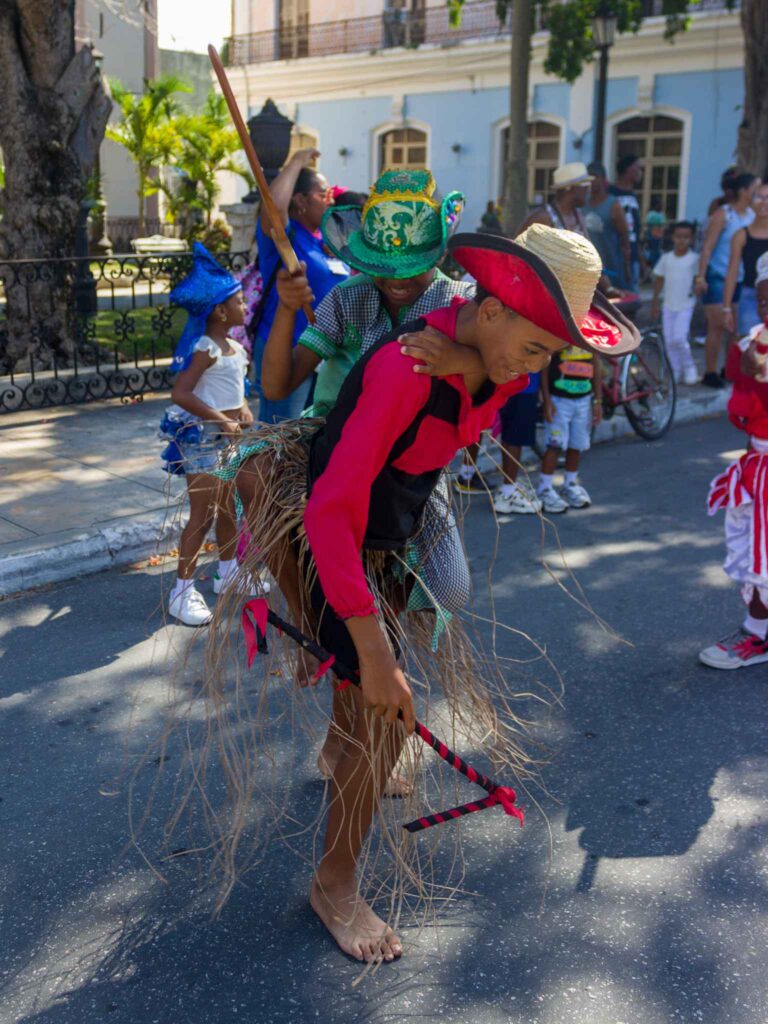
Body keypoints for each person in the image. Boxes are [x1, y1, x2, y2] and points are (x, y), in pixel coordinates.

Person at [164, 225, 639, 963]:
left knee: (368, 711)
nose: (534, 369)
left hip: (393, 532)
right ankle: (335, 884)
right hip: (334, 541)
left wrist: (476, 373)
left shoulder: (488, 353)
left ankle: (342, 741)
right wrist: (373, 645)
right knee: (384, 718)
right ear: (489, 312)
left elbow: (495, 393)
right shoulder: (406, 368)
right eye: (537, 348)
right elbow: (328, 513)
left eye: (547, 353)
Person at [158, 244, 260, 626]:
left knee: (230, 506)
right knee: (202, 514)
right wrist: (220, 418)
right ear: (220, 311)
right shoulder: (205, 348)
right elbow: (181, 393)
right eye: (238, 301)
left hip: (228, 439)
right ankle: (181, 592)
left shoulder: (234, 348)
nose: (245, 305)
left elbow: (234, 391)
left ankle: (229, 571)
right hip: (201, 439)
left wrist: (243, 409)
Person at [253, 147, 348, 422]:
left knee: (309, 435)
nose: (330, 202)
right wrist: (295, 161)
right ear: (300, 201)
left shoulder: (323, 242)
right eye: (322, 195)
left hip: (321, 355)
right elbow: (274, 210)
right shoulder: (288, 237)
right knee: (281, 433)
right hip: (287, 352)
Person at [700, 303, 768, 669]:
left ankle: (757, 634)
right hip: (759, 464)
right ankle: (758, 628)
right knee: (751, 546)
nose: (766, 311)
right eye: (763, 302)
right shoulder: (755, 341)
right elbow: (751, 420)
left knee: (762, 555)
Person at [695, 172, 757, 388]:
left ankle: (728, 369)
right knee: (717, 326)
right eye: (754, 188)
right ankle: (710, 372)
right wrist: (701, 276)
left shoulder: (751, 215)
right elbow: (708, 246)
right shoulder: (724, 214)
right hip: (717, 275)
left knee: (735, 328)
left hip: (739, 278)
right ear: (743, 191)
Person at [536, 334, 604, 514]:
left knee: (576, 444)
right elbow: (545, 364)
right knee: (555, 444)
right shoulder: (559, 332)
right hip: (559, 401)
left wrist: (598, 400)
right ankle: (545, 487)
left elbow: (595, 364)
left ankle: (570, 483)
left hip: (583, 400)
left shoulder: (590, 334)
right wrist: (547, 400)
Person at [650, 221, 700, 386]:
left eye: (686, 237)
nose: (682, 240)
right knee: (669, 340)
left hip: (686, 304)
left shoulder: (695, 259)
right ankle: (676, 371)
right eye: (679, 237)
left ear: (691, 239)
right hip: (668, 305)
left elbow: (698, 280)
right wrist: (655, 303)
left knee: (679, 338)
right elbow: (659, 280)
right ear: (673, 238)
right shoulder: (666, 258)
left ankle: (690, 367)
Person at [491, 374, 543, 515]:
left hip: (511, 384)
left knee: (510, 437)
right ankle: (508, 492)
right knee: (515, 438)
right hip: (522, 386)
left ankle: (508, 487)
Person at [722, 180, 768, 339]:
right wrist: (727, 308)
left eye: (767, 197)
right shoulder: (741, 235)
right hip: (750, 296)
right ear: (751, 200)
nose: (763, 202)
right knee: (749, 346)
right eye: (759, 197)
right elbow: (732, 272)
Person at [584, 161, 632, 290]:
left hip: (610, 267)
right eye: (588, 177)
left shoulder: (613, 205)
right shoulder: (582, 204)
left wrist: (627, 266)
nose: (592, 181)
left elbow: (624, 237)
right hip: (587, 269)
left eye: (595, 177)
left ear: (603, 179)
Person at [517, 161, 592, 237]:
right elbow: (515, 246)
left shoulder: (578, 216)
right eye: (585, 186)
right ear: (570, 188)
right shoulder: (542, 218)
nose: (588, 190)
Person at [610, 154, 645, 289]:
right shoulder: (610, 194)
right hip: (616, 256)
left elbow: (635, 230)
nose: (640, 172)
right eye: (637, 168)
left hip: (633, 256)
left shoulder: (633, 195)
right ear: (628, 169)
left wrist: (641, 259)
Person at [644, 196, 666, 268]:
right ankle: (651, 264)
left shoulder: (661, 214)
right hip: (652, 235)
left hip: (659, 235)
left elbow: (663, 225)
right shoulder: (651, 214)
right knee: (652, 250)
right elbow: (648, 224)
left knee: (657, 250)